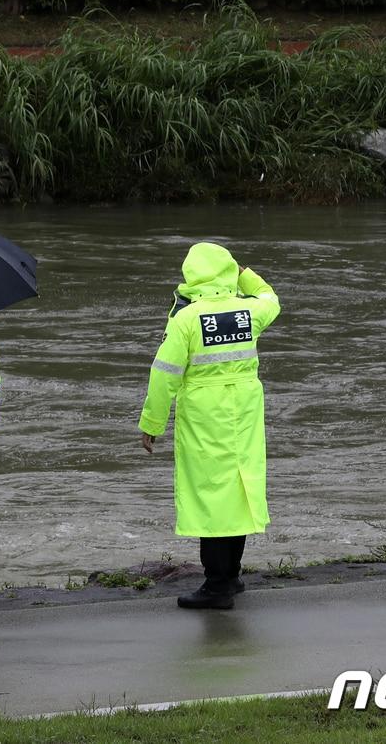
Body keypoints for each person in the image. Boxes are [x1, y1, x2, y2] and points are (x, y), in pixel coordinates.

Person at [138, 242, 280, 610]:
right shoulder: (248, 311)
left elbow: (163, 375)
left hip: (204, 416)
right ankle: (231, 577)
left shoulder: (185, 319)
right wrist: (246, 275)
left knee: (208, 498)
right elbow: (271, 298)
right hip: (245, 414)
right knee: (237, 492)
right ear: (227, 271)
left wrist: (152, 423)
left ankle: (216, 585)